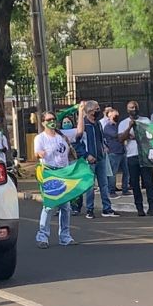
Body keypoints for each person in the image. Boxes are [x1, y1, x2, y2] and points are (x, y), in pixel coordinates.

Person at [34, 109, 83, 247]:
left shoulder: (62, 135)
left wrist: (80, 112)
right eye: (48, 120)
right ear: (43, 122)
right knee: (49, 206)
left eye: (53, 119)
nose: (51, 122)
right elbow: (37, 153)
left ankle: (65, 236)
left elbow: (79, 132)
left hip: (64, 173)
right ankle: (42, 237)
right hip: (50, 173)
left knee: (65, 207)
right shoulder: (40, 138)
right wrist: (41, 154)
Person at [74, 101, 115, 219]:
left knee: (104, 184)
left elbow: (101, 138)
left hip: (100, 158)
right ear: (90, 111)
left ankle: (107, 208)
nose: (98, 111)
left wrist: (104, 146)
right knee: (90, 186)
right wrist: (86, 155)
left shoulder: (98, 124)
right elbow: (78, 142)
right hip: (89, 159)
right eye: (96, 109)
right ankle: (89, 209)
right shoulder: (84, 125)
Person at [118, 101, 153, 217]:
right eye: (131, 107)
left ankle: (152, 207)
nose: (134, 109)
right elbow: (121, 138)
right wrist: (130, 127)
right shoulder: (123, 123)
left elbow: (152, 135)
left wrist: (137, 136)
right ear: (127, 109)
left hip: (145, 155)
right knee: (135, 183)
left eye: (135, 107)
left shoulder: (145, 120)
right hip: (132, 155)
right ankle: (139, 208)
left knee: (149, 182)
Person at [101, 107, 125, 195]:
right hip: (114, 151)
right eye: (114, 115)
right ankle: (111, 190)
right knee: (113, 173)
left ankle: (125, 189)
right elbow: (116, 135)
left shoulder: (119, 125)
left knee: (126, 172)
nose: (116, 117)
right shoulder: (108, 127)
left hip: (122, 150)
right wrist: (124, 134)